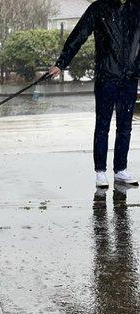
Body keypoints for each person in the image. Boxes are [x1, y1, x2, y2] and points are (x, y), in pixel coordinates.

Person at [49, 0, 140, 188]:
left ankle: (120, 169)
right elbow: (79, 34)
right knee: (102, 125)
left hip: (130, 76)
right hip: (106, 76)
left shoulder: (137, 8)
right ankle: (100, 171)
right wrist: (61, 63)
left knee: (125, 127)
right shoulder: (99, 8)